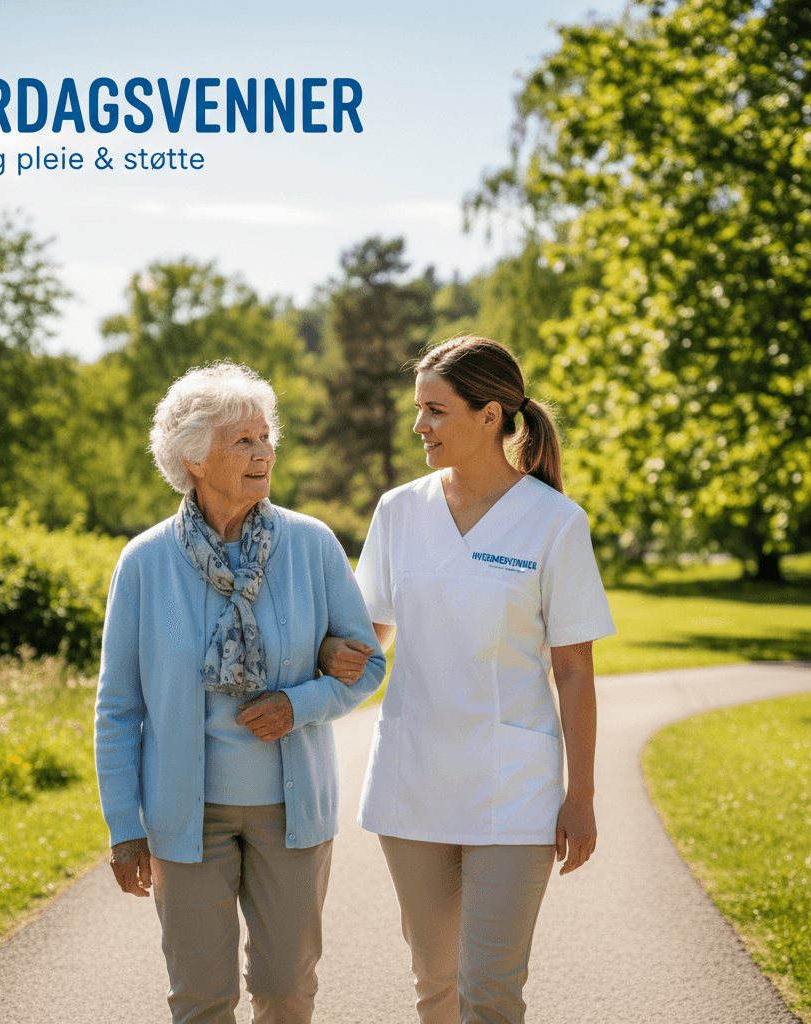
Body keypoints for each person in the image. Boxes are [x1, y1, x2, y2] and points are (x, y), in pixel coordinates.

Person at [320, 335, 615, 1024]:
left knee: (490, 989)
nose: (418, 425)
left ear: (490, 416)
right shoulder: (399, 510)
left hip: (512, 787)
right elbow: (370, 637)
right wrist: (329, 651)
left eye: (435, 410)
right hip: (412, 778)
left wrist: (584, 795)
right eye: (417, 409)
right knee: (435, 982)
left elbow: (572, 669)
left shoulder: (556, 524)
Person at [95, 362, 385, 1024]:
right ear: (194, 459)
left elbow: (368, 666)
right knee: (201, 998)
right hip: (184, 818)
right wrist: (123, 826)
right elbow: (118, 708)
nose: (263, 454)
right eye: (243, 442)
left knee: (285, 987)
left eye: (265, 437)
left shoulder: (311, 545)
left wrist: (298, 706)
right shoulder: (144, 562)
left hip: (293, 813)